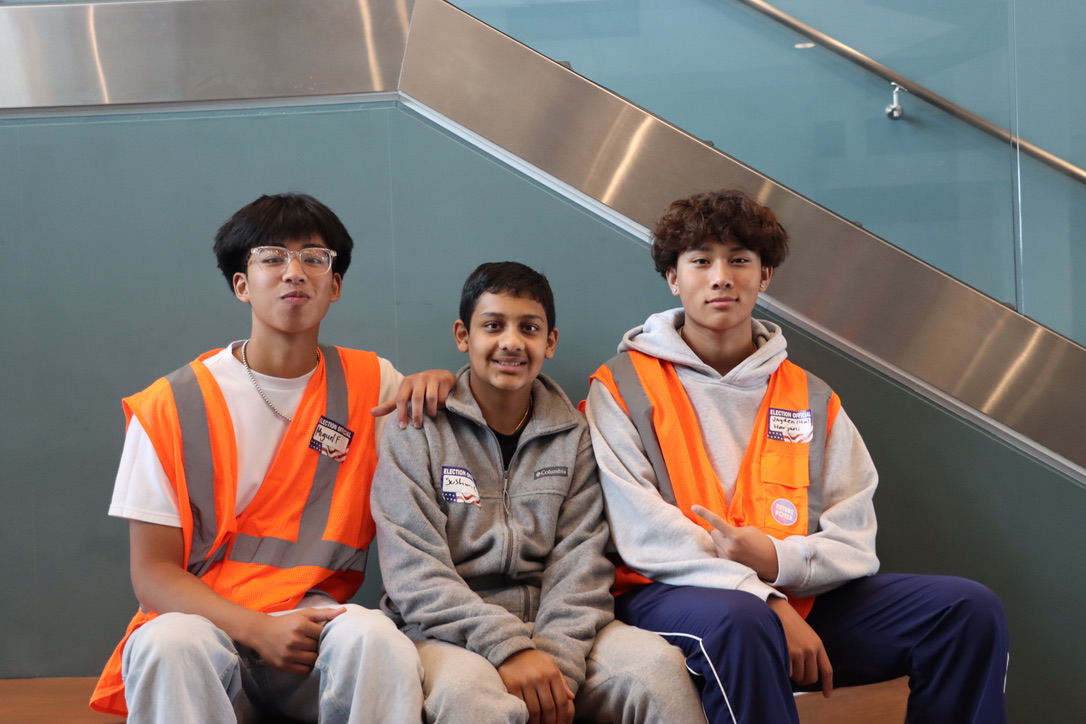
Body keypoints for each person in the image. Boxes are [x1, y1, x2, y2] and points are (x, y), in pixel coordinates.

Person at [584, 188, 1010, 724]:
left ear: (764, 277)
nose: (722, 277)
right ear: (674, 277)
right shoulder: (622, 386)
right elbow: (642, 535)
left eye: (740, 260)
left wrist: (778, 565)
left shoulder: (810, 396)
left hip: (800, 594)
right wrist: (765, 597)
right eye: (701, 261)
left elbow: (855, 539)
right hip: (670, 596)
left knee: (968, 611)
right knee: (745, 621)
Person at [90, 193, 455, 723]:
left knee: (376, 636)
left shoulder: (375, 383)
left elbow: (447, 458)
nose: (294, 273)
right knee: (166, 643)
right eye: (271, 257)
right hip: (205, 627)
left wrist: (444, 382)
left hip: (310, 631)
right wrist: (257, 628)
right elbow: (152, 574)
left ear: (335, 285)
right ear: (242, 284)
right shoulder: (169, 405)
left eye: (314, 257)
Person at [372, 261, 706, 724]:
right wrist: (509, 650)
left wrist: (556, 667)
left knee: (658, 672)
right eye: (493, 325)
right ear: (463, 336)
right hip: (444, 633)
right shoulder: (416, 429)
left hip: (561, 631)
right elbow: (414, 576)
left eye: (529, 327)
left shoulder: (576, 434)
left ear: (549, 342)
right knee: (469, 697)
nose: (511, 341)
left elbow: (583, 563)